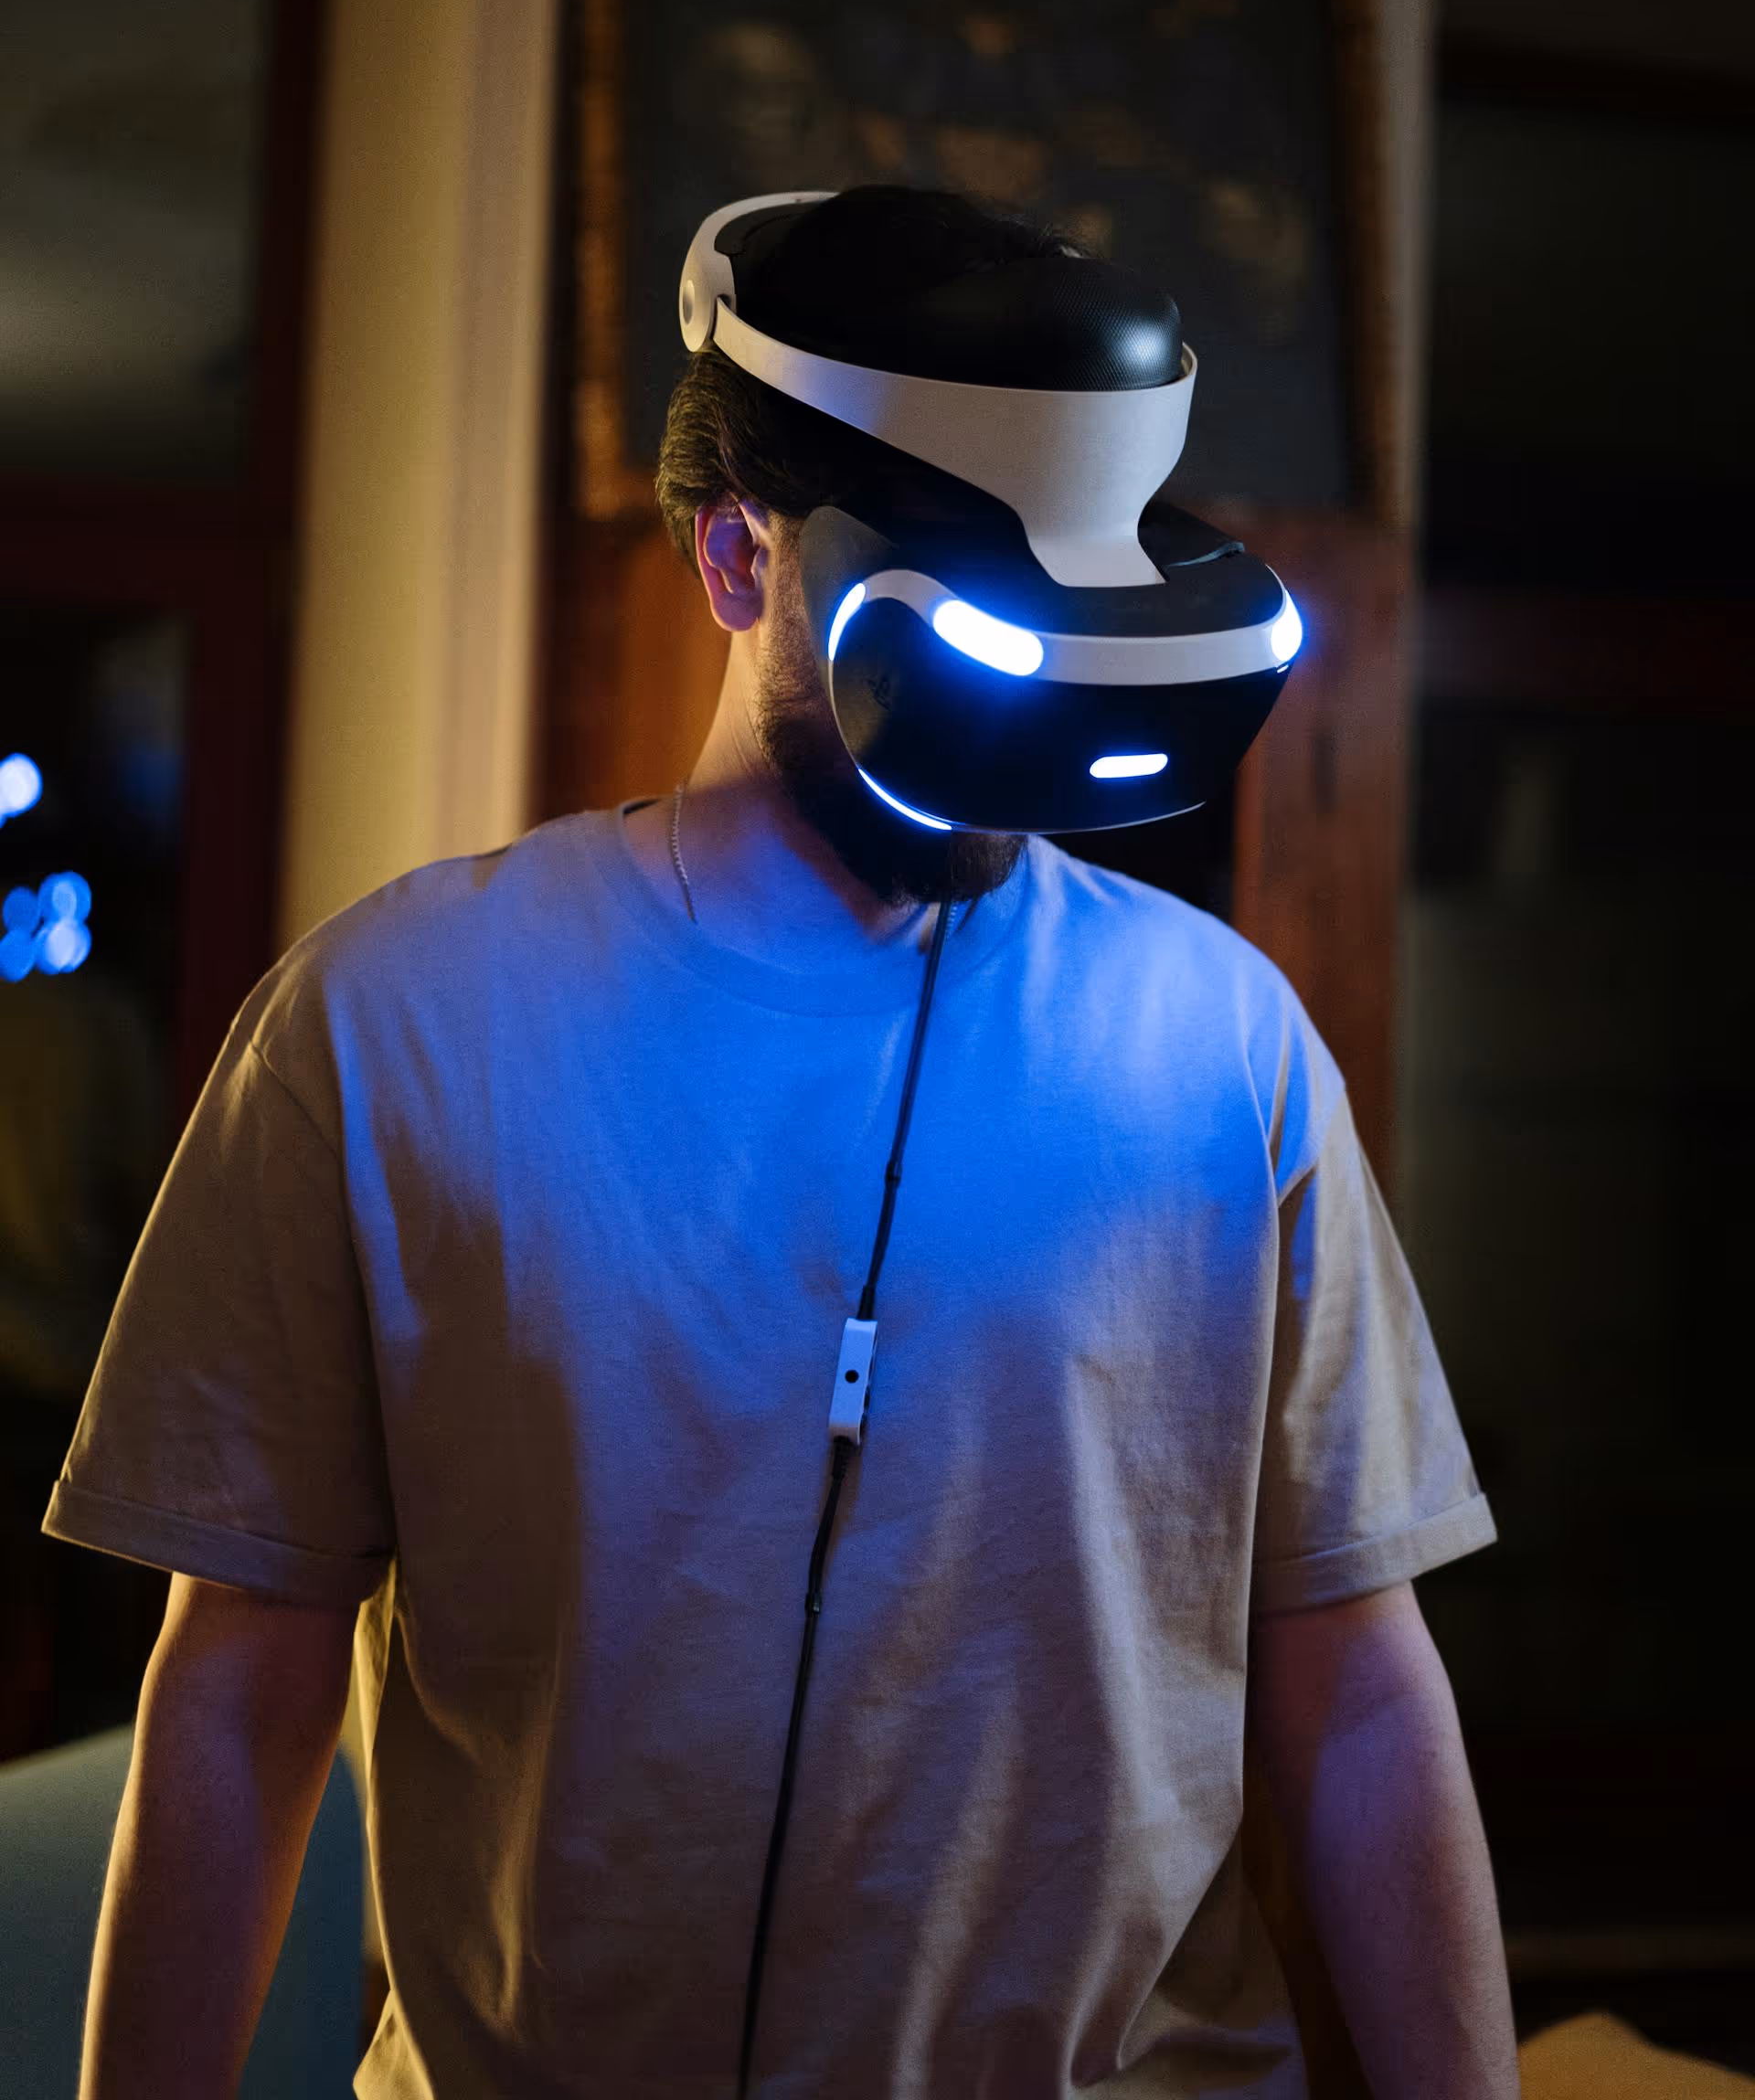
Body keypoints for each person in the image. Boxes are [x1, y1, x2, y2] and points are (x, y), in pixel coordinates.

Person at [45, 186, 1518, 2100]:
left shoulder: (1223, 1043)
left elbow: (1356, 1679)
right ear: (739, 559)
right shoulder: (393, 1020)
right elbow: (237, 1683)